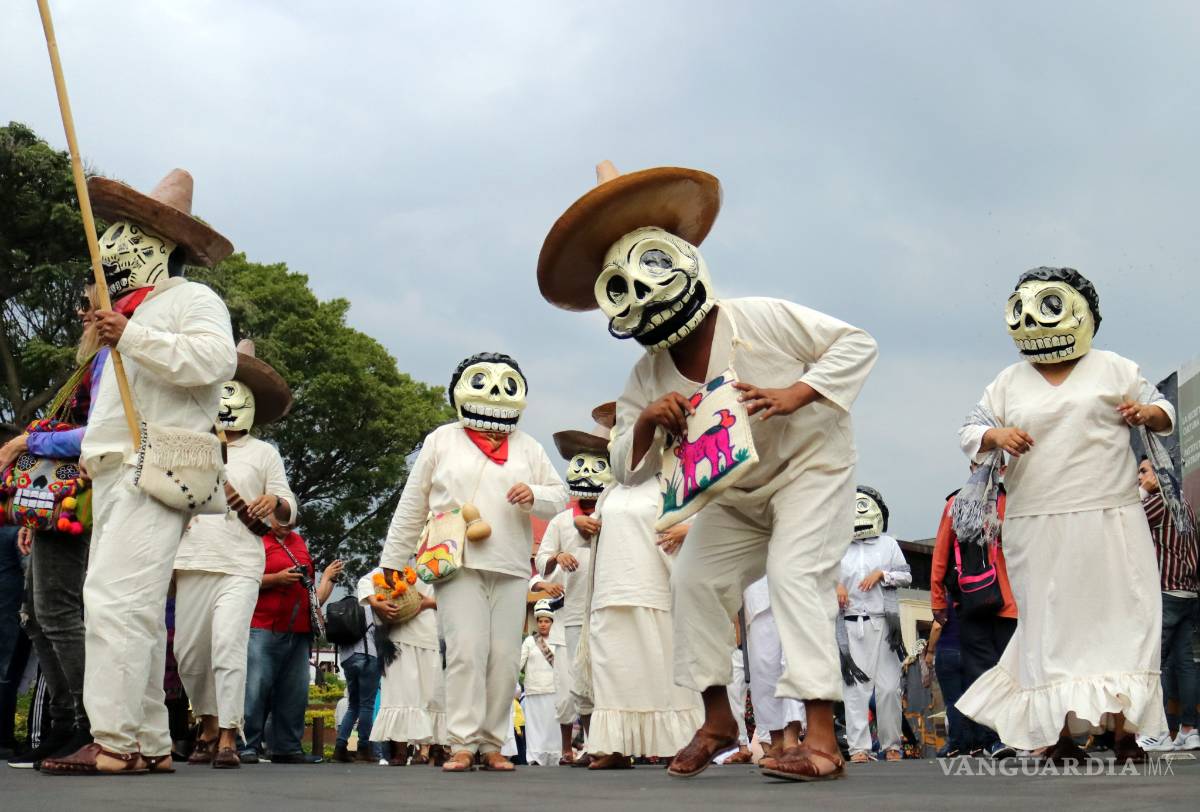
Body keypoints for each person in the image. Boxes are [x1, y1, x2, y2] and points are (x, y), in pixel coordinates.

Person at [539, 162, 877, 782]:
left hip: (811, 468)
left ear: (681, 261)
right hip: (734, 494)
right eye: (623, 286)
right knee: (692, 582)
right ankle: (716, 718)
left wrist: (795, 393)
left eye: (652, 271)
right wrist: (645, 425)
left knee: (794, 573)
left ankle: (823, 737)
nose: (640, 292)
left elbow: (856, 343)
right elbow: (626, 471)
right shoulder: (646, 374)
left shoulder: (757, 317)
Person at [42, 169, 238, 776]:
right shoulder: (124, 314)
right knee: (137, 608)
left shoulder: (190, 301)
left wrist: (133, 334)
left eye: (126, 233)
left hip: (148, 464)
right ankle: (148, 739)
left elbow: (215, 361)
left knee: (115, 603)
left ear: (156, 245)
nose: (112, 245)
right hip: (118, 467)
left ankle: (116, 741)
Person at [955, 266, 1173, 764]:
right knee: (1049, 628)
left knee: (1126, 619)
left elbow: (1163, 412)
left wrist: (1145, 414)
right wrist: (997, 437)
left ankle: (1126, 733)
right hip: (1037, 520)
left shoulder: (1115, 367)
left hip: (1111, 514)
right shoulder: (1008, 382)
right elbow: (971, 429)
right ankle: (1058, 735)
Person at [379, 353, 568, 773]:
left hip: (512, 564)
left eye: (506, 386)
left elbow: (559, 493)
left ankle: (492, 743)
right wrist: (392, 563)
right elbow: (413, 502)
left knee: (502, 656)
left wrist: (532, 494)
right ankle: (462, 742)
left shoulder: (528, 446)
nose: (495, 396)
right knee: (466, 650)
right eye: (482, 384)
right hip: (456, 563)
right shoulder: (441, 440)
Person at [174, 339, 296, 769]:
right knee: (190, 653)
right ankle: (206, 724)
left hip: (242, 561)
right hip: (191, 560)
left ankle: (229, 734)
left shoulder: (264, 453)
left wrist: (272, 504)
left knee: (228, 645)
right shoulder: (188, 443)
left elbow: (287, 506)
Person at [2, 290, 107, 768]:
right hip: (56, 503)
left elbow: (100, 433)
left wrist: (28, 439)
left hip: (83, 502)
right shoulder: (90, 363)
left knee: (59, 612)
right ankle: (64, 721)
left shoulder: (109, 358)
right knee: (37, 615)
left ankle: (87, 723)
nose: (82, 311)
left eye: (89, 302)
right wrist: (33, 511)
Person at [578, 401, 703, 769]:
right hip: (609, 590)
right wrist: (583, 527)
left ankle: (678, 744)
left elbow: (714, 517)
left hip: (656, 589)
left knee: (662, 671)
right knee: (614, 671)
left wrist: (687, 529)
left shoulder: (675, 477)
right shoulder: (610, 490)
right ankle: (613, 746)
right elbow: (599, 529)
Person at [533, 423, 613, 764]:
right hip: (572, 613)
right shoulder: (561, 521)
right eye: (581, 465)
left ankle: (611, 744)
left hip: (607, 609)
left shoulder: (614, 512)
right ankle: (592, 744)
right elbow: (540, 560)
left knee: (607, 677)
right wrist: (556, 557)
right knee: (577, 684)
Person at [929, 476, 1018, 759]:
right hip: (1001, 601)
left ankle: (999, 738)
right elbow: (940, 554)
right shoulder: (1012, 500)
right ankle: (995, 738)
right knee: (992, 673)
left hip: (977, 598)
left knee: (994, 674)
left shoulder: (959, 503)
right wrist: (937, 599)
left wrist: (938, 602)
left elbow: (940, 555)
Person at [240, 517, 339, 764]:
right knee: (256, 686)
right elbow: (242, 581)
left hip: (299, 628)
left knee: (294, 690)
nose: (287, 523)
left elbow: (310, 589)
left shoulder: (298, 542)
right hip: (263, 626)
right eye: (281, 518)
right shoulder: (255, 540)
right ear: (267, 516)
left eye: (291, 518)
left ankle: (287, 746)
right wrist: (276, 579)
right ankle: (246, 745)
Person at [837, 487, 911, 762]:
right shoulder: (837, 547)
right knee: (855, 689)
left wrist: (883, 573)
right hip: (851, 623)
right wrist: (836, 587)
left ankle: (892, 744)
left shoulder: (888, 544)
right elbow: (821, 577)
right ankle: (859, 749)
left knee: (889, 687)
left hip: (884, 623)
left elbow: (906, 576)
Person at [1136, 456, 1199, 752]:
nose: (1139, 477)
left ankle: (1157, 730)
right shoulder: (1184, 505)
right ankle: (1189, 729)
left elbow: (1129, 521)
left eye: (1144, 471)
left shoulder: (1158, 502)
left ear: (1161, 473)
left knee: (1153, 662)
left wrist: (1144, 492)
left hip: (1166, 593)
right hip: (1188, 592)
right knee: (1184, 662)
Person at [364, 564, 444, 766]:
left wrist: (428, 603)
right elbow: (365, 582)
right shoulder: (395, 564)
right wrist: (376, 602)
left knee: (431, 693)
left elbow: (457, 599)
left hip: (429, 635)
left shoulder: (441, 560)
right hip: (399, 637)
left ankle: (430, 749)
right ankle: (399, 750)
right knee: (400, 692)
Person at [743, 576, 807, 762]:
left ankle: (791, 740)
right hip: (756, 585)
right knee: (763, 668)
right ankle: (776, 740)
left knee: (791, 665)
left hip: (793, 583)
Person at [333, 579, 381, 764]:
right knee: (367, 705)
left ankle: (340, 747)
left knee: (353, 704)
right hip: (368, 656)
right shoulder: (370, 607)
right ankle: (363, 748)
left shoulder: (344, 608)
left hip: (348, 659)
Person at [519, 600, 565, 766]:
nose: (543, 624)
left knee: (554, 727)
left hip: (555, 690)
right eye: (540, 621)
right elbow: (518, 664)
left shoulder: (560, 640)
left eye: (546, 621)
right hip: (534, 691)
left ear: (552, 622)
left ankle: (556, 757)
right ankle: (535, 758)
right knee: (535, 727)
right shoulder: (530, 642)